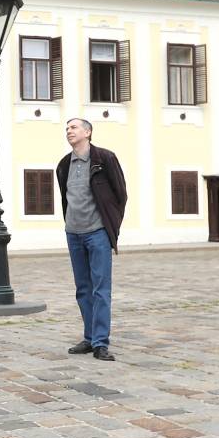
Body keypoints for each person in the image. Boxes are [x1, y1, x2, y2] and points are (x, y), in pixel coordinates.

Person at [55, 118, 128, 361]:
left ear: (87, 132)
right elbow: (66, 198)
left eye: (74, 127)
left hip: (97, 233)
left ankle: (100, 343)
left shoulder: (105, 159)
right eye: (67, 129)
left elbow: (121, 195)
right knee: (83, 289)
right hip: (73, 233)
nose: (69, 132)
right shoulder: (64, 165)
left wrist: (111, 227)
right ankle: (89, 337)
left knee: (101, 289)